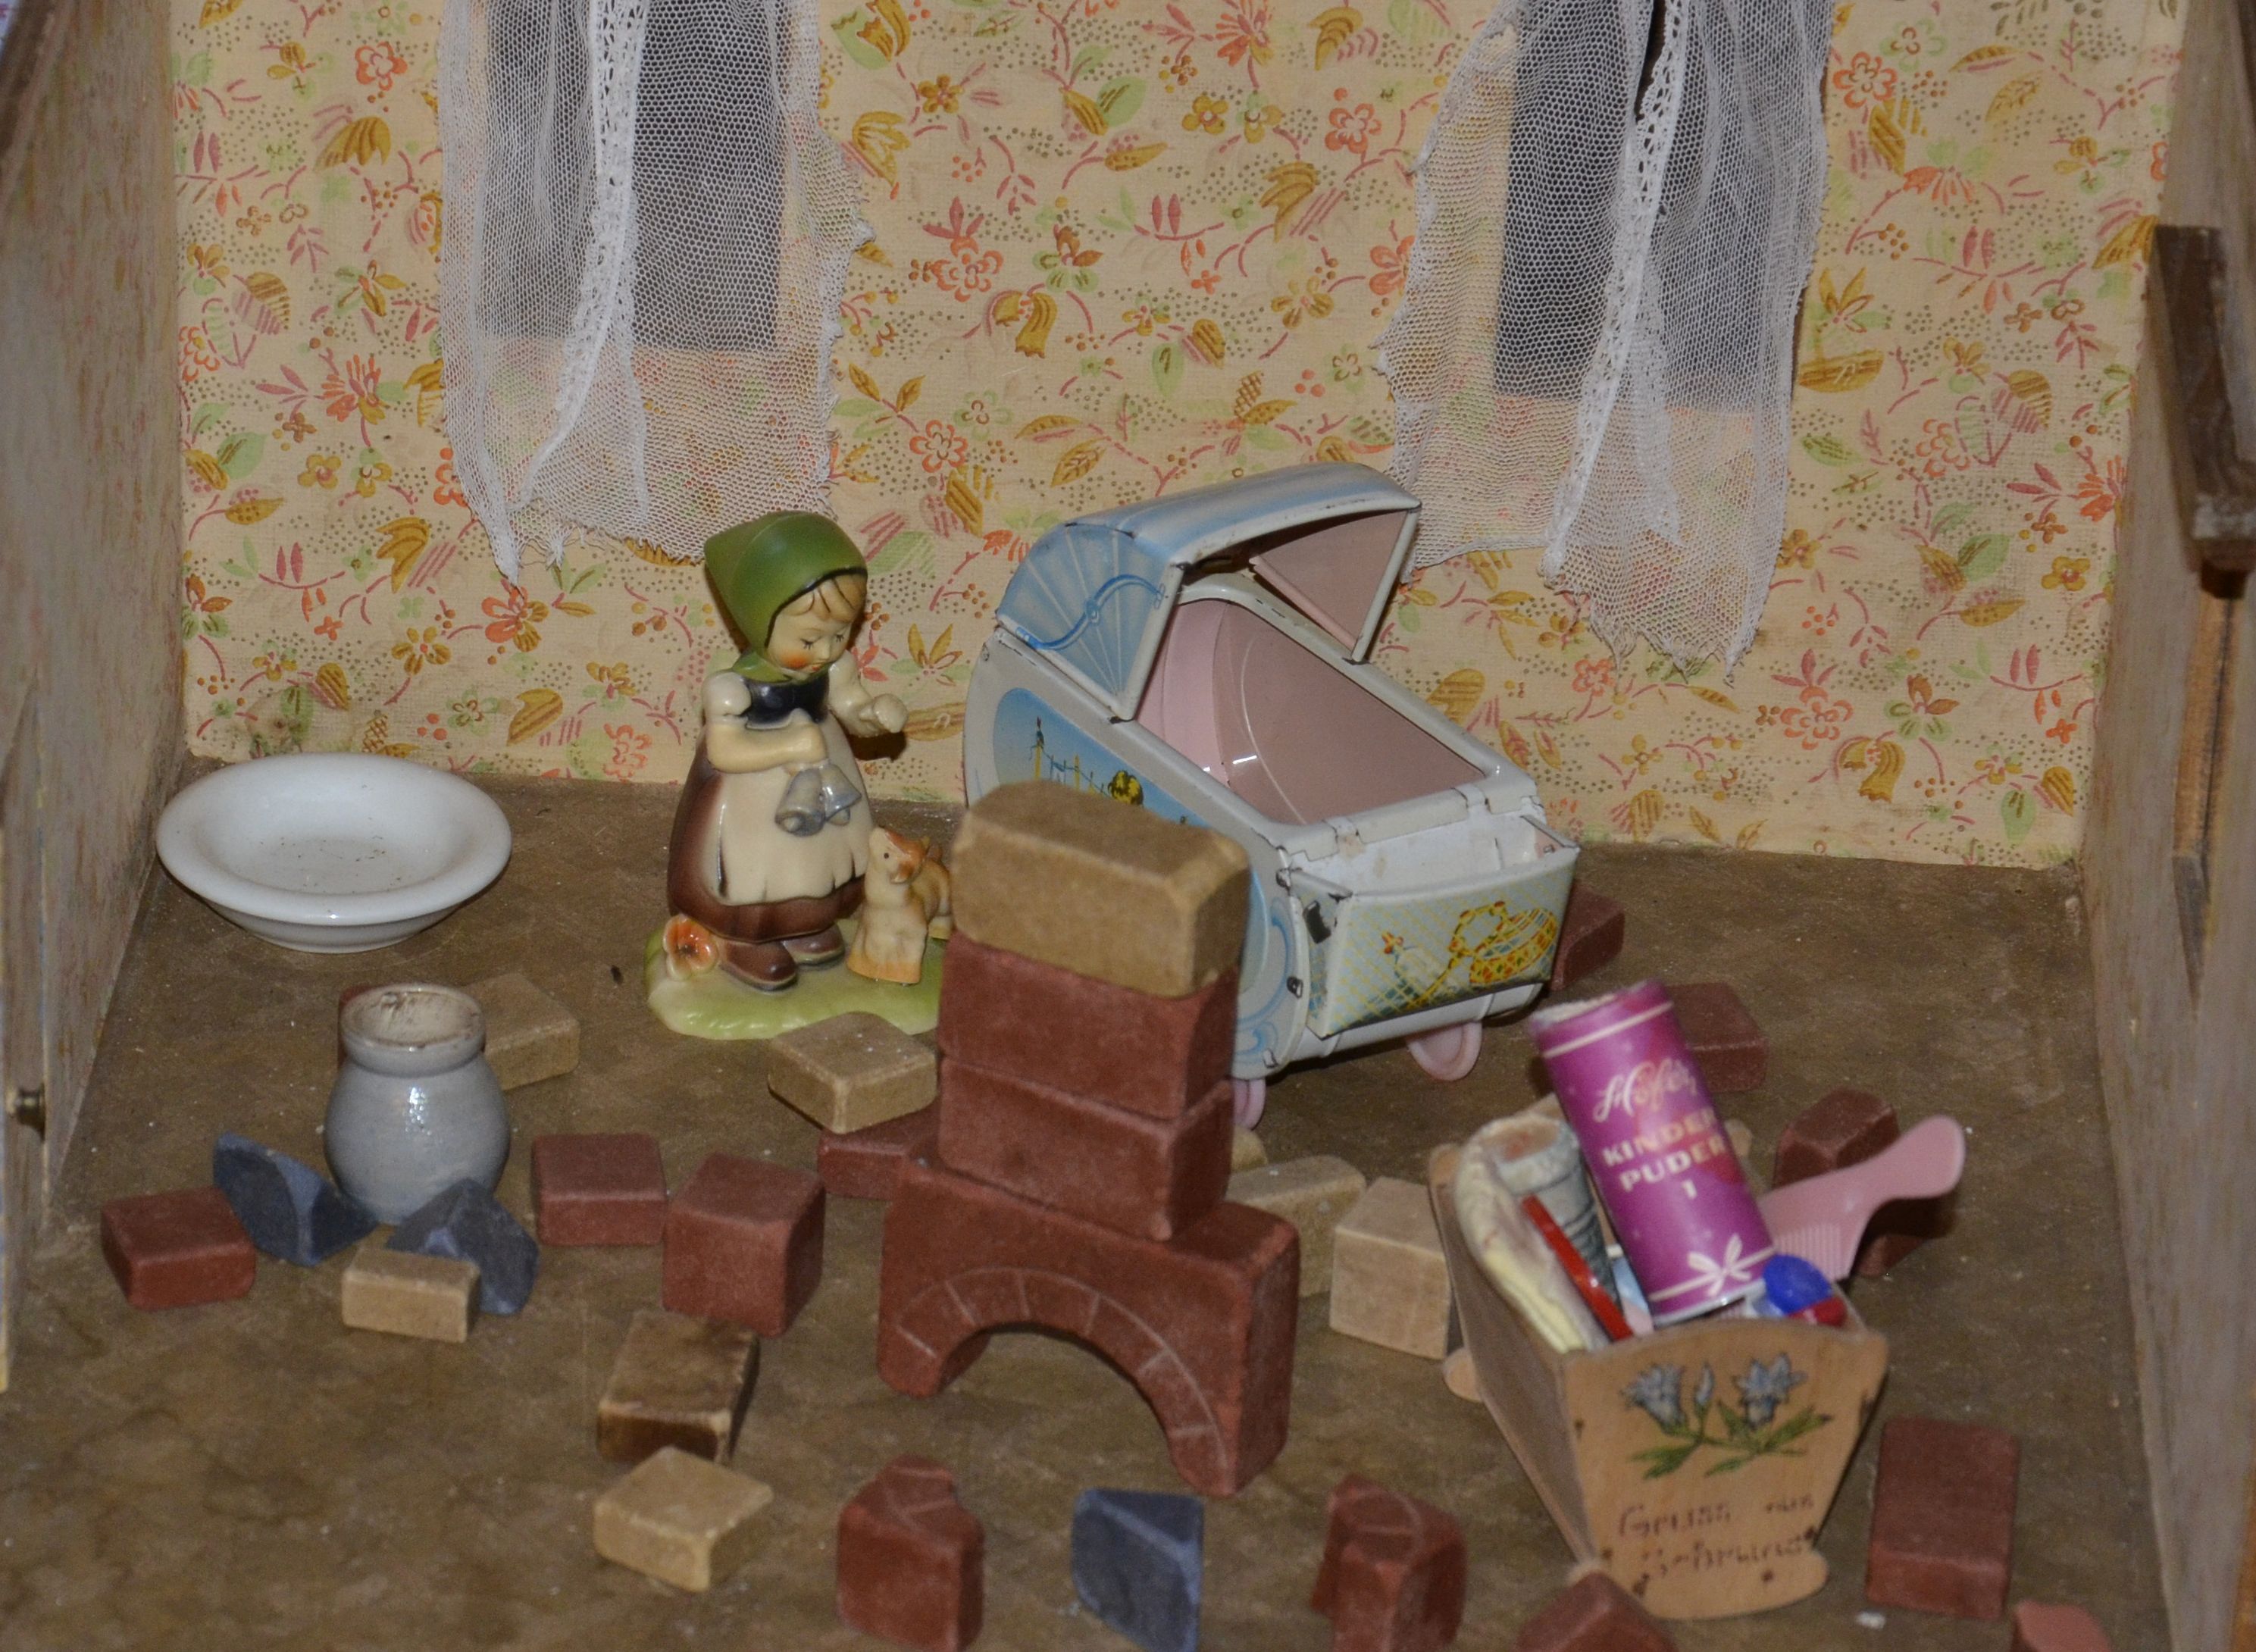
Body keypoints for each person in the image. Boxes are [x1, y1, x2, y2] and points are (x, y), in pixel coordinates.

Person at [663, 512, 906, 990]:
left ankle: (806, 926)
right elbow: (725, 750)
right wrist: (789, 744)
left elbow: (852, 708)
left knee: (822, 862)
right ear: (759, 620)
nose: (827, 651)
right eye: (810, 639)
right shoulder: (732, 689)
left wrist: (875, 714)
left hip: (822, 773)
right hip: (754, 795)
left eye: (840, 634)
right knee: (760, 870)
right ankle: (744, 940)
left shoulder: (833, 670)